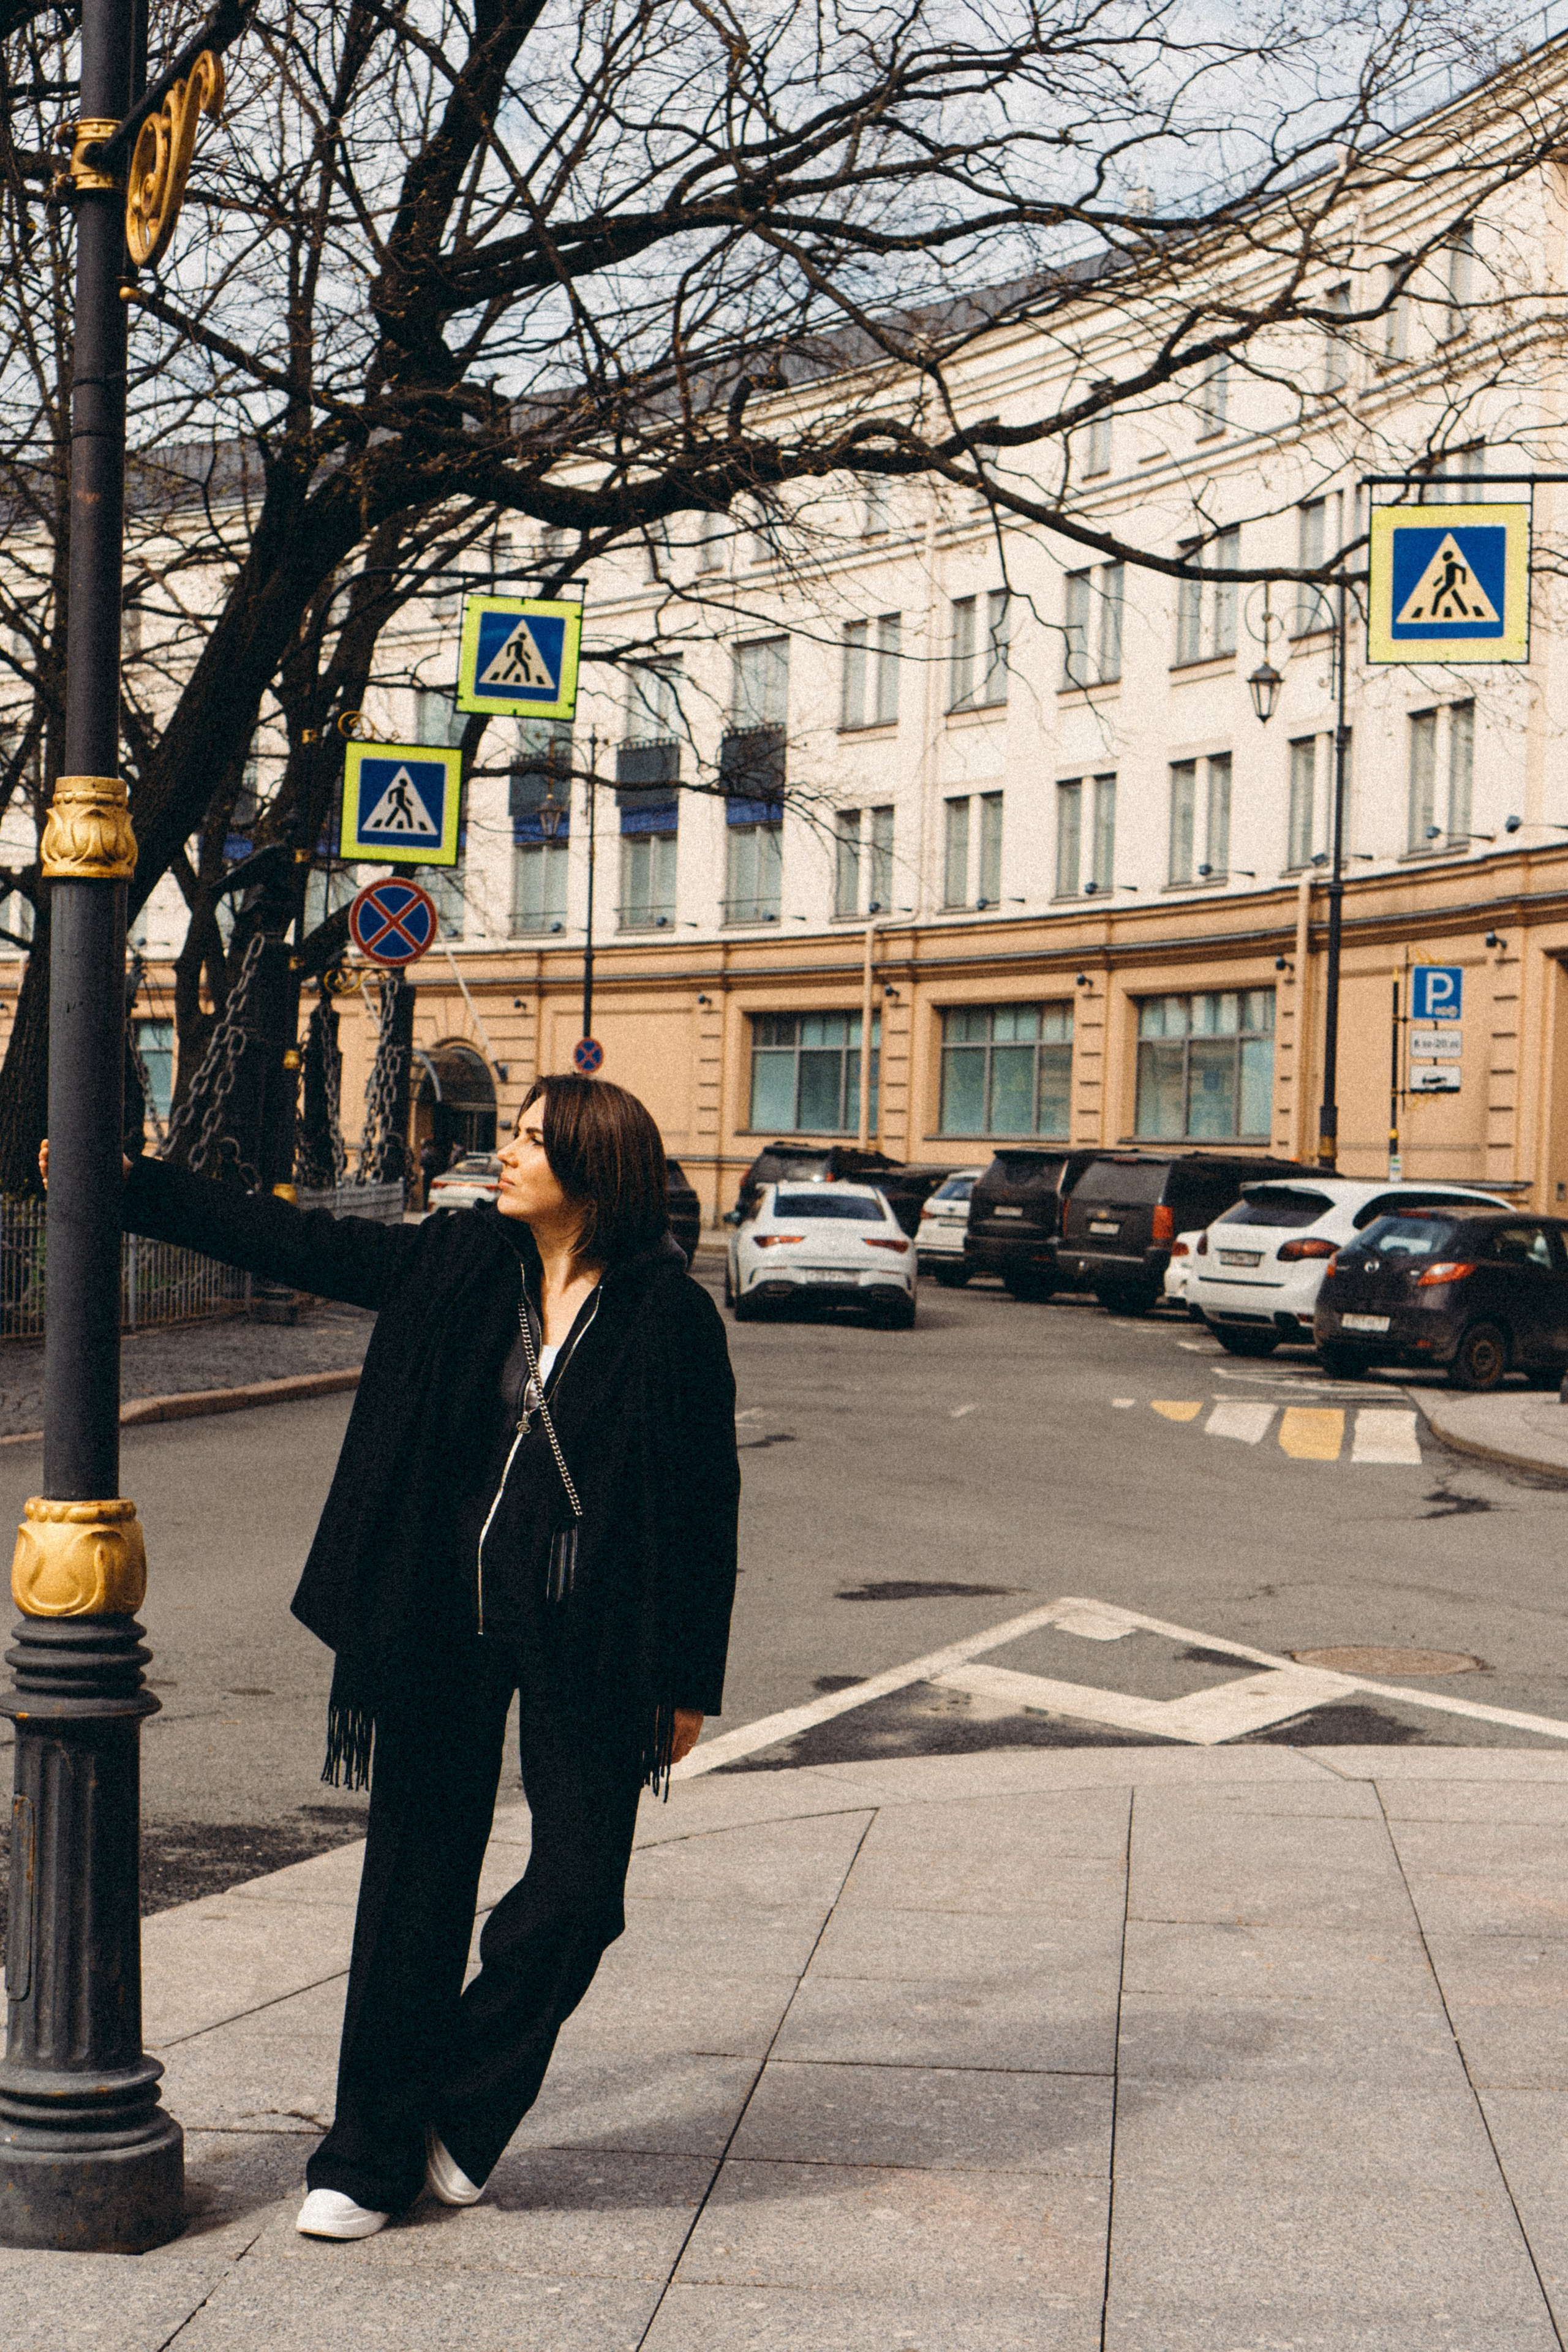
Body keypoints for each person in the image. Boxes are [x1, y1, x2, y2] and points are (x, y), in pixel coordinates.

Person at [64, 1076, 740, 2238]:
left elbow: (703, 1506)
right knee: (413, 1886)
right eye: (514, 1133)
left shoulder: (666, 1316)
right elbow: (305, 1242)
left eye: (532, 1140)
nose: (507, 1155)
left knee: (581, 1893)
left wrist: (686, 1679)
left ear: (594, 1169)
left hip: (590, 1634)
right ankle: (369, 2157)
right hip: (437, 1615)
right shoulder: (461, 1262)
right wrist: (134, 1189)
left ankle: (464, 2113)